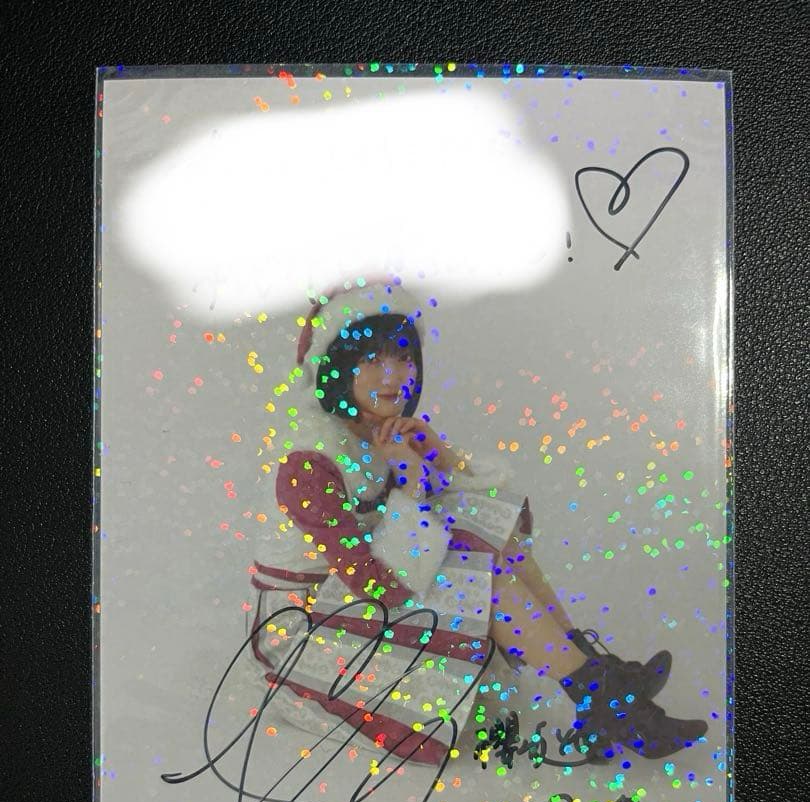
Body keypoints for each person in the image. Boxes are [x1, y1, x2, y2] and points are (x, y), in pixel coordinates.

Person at [248, 276, 707, 768]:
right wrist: (411, 483)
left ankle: (598, 679)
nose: (393, 375)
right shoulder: (309, 463)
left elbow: (474, 516)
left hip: (356, 603)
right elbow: (379, 585)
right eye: (372, 359)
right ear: (338, 368)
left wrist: (442, 459)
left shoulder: (378, 433)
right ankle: (604, 695)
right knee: (470, 560)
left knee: (482, 527)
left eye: (403, 357)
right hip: (304, 631)